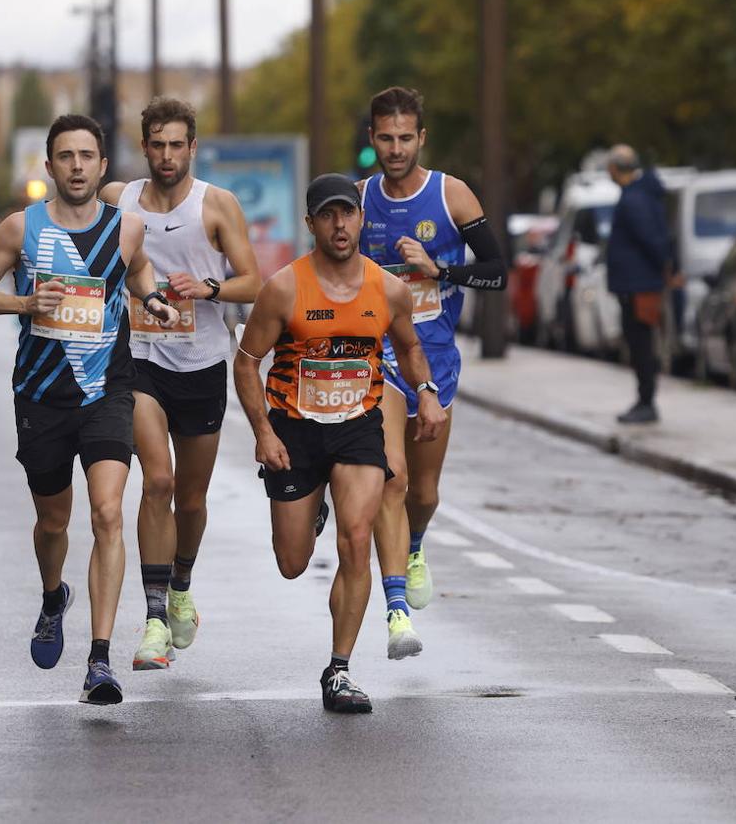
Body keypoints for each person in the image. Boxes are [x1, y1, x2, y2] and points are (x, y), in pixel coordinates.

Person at [0, 114, 176, 705]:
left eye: (87, 156)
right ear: (50, 166)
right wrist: (23, 302)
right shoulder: (19, 229)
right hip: (41, 395)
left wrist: (152, 298)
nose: (77, 166)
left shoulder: (126, 228)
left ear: (103, 166)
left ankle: (99, 661)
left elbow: (137, 270)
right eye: (65, 156)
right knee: (54, 522)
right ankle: (53, 595)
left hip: (107, 389)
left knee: (108, 513)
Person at [233, 173, 447, 713]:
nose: (339, 224)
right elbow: (247, 362)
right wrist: (263, 431)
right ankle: (311, 509)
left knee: (357, 539)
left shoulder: (387, 288)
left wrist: (426, 391)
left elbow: (410, 347)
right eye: (327, 215)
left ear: (359, 218)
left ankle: (340, 669)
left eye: (347, 213)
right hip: (295, 429)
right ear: (311, 225)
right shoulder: (284, 287)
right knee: (292, 561)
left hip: (357, 424)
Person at [97, 98, 263, 670]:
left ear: (193, 147)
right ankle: (152, 621)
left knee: (191, 499)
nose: (167, 156)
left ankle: (182, 584)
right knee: (159, 482)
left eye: (177, 145)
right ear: (143, 147)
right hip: (140, 359)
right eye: (157, 144)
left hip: (203, 363)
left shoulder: (215, 205)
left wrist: (210, 289)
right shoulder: (117, 200)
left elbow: (254, 283)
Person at [357, 86, 506, 660]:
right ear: (372, 139)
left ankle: (415, 544)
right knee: (391, 479)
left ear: (422, 138)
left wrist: (440, 268)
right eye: (385, 138)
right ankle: (396, 609)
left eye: (405, 138)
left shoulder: (451, 195)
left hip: (435, 359)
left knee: (423, 489)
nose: (395, 149)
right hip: (378, 361)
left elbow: (497, 270)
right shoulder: (360, 199)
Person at [605, 144, 670, 424]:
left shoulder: (634, 200)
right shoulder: (639, 195)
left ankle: (647, 401)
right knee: (639, 344)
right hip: (637, 283)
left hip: (638, 285)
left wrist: (664, 269)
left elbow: (651, 239)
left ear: (615, 168)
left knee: (641, 344)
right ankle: (645, 399)